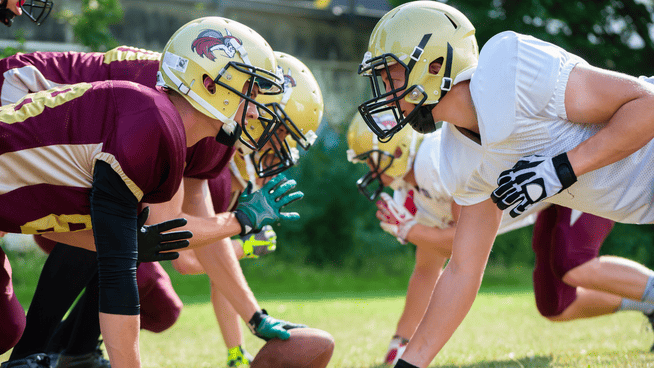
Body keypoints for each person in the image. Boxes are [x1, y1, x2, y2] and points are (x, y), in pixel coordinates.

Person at [356, 2, 654, 367]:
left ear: (435, 65)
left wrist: (561, 169)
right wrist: (410, 362)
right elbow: (463, 270)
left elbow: (647, 105)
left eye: (391, 75)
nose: (384, 89)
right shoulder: (455, 158)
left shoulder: (508, 67)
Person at [0, 16, 288, 368]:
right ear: (209, 83)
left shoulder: (195, 128)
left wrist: (255, 316)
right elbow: (149, 255)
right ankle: (47, 353)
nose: (258, 110)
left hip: (34, 183)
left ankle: (57, 353)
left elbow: (157, 233)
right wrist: (239, 223)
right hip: (16, 92)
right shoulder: (152, 116)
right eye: (250, 91)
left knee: (9, 324)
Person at [172, 51, 324, 368]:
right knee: (155, 299)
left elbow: (220, 272)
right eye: (281, 133)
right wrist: (246, 246)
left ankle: (236, 353)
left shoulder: (234, 169)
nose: (285, 149)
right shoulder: (213, 162)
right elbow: (186, 259)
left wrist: (236, 352)